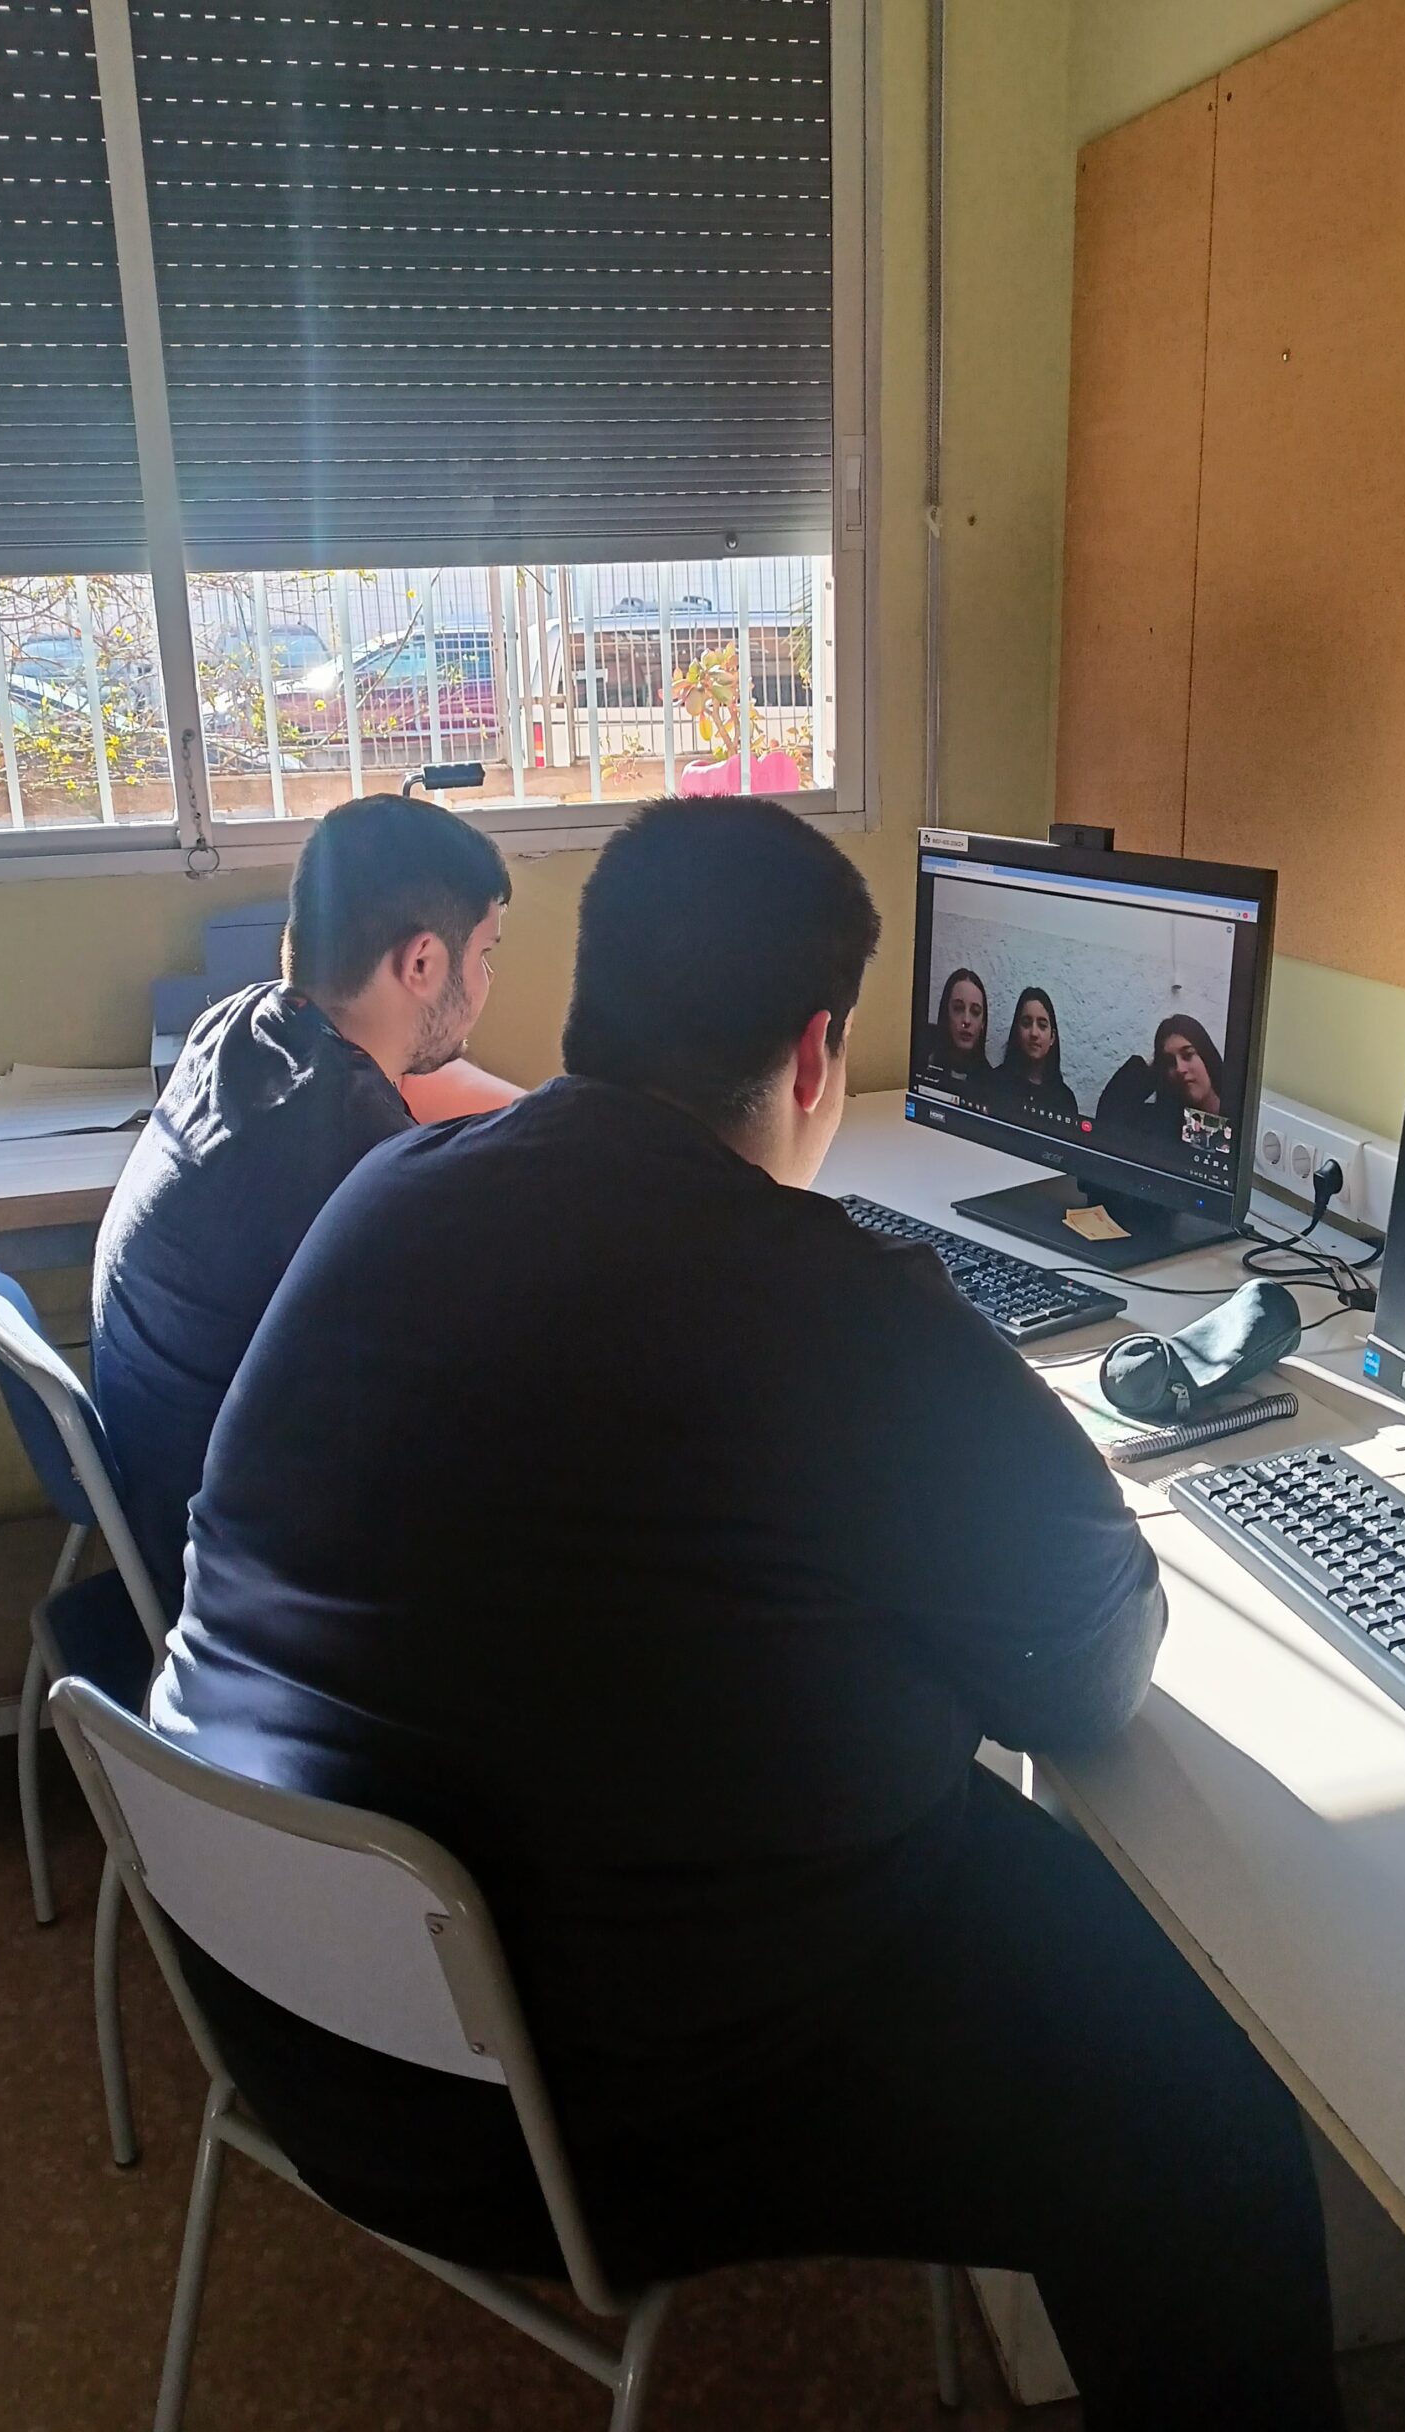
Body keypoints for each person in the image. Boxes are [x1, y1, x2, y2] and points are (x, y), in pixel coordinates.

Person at [152, 797, 1340, 2432]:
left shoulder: (386, 1186)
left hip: (274, 2010)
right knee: (1208, 2128)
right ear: (814, 1054)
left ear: (587, 1001)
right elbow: (1087, 1672)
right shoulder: (842, 1306)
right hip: (548, 2116)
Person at [90, 793, 514, 1605]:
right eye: (485, 954)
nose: (488, 980)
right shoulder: (362, 1164)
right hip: (242, 1578)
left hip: (162, 1488)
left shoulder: (242, 1024)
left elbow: (425, 1089)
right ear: (422, 963)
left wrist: (558, 1123)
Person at [1096, 1012, 1227, 1140]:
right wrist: (1153, 1070)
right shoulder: (1167, 1125)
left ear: (1206, 1056)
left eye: (1187, 1055)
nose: (1179, 1069)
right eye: (1169, 1062)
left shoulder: (1236, 1113)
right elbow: (1107, 1123)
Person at [994, 982, 1080, 1122]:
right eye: (1026, 1023)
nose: (1034, 1033)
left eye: (1042, 1025)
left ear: (1052, 1037)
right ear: (1017, 1031)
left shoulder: (1065, 1100)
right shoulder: (994, 1083)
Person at [922, 964, 993, 1091]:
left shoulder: (992, 1084)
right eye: (958, 1008)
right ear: (946, 1013)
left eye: (975, 1012)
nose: (966, 1021)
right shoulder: (924, 1060)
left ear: (983, 1023)